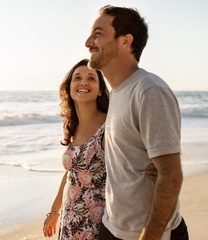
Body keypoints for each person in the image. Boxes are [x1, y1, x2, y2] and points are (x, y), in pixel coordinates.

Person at [85, 5, 188, 240]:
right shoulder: (118, 92)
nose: (88, 42)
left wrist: (148, 236)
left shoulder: (149, 91)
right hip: (112, 227)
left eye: (98, 34)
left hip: (146, 233)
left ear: (125, 41)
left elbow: (171, 177)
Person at [42, 59, 157, 239]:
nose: (83, 82)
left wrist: (158, 167)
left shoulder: (110, 126)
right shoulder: (73, 126)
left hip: (97, 220)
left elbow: (138, 158)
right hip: (70, 217)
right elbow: (72, 173)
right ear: (69, 87)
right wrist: (54, 212)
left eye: (91, 78)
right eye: (77, 78)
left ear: (100, 89)